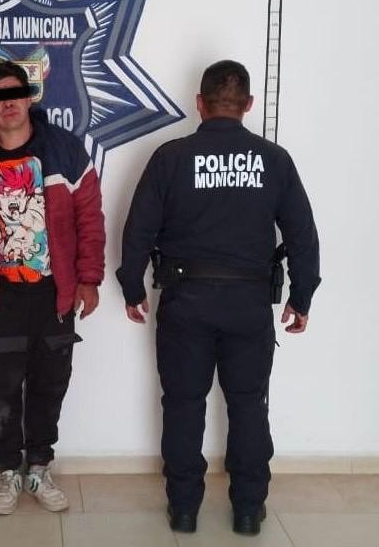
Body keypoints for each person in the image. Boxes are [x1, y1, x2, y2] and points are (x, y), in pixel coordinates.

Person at [116, 60, 320, 535]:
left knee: (183, 404)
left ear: (200, 104)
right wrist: (302, 296)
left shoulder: (170, 157)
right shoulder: (274, 160)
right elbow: (303, 235)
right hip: (248, 304)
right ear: (248, 104)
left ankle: (184, 509)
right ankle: (248, 510)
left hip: (185, 302)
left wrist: (132, 286)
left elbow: (138, 229)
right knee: (248, 405)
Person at [0, 61, 105, 515]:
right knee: (2, 386)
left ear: (30, 97)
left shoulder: (65, 150)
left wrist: (89, 278)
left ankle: (39, 466)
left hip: (54, 293)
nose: (7, 103)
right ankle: (7, 471)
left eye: (14, 93)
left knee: (50, 383)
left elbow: (90, 219)